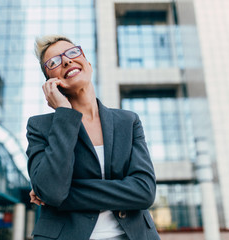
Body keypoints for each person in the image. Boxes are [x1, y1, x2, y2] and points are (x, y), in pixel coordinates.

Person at [26, 34, 160, 240]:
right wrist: (64, 114)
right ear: (50, 82)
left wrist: (62, 195)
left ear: (87, 63)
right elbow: (52, 191)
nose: (67, 60)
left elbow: (144, 191)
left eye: (72, 52)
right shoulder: (39, 127)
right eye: (54, 62)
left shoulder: (128, 122)